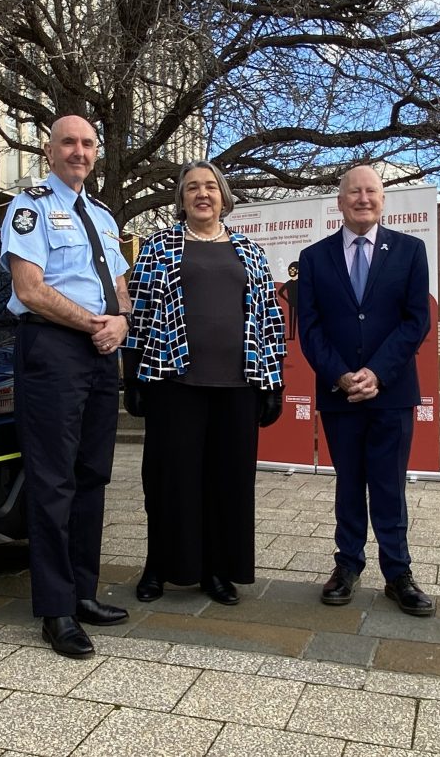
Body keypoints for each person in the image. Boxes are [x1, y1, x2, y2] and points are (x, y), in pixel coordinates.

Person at [122, 161, 286, 606]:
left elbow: (269, 319)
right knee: (168, 480)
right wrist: (132, 375)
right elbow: (136, 313)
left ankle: (217, 570)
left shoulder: (249, 251)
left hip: (238, 386)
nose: (202, 194)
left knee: (227, 482)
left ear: (223, 196)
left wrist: (274, 384)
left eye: (210, 186)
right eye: (192, 187)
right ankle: (160, 566)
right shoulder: (158, 247)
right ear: (181, 199)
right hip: (173, 382)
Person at [0, 114, 132, 659]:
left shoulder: (101, 215)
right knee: (53, 480)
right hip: (54, 349)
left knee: (91, 475)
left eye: (87, 143)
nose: (79, 151)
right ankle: (55, 609)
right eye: (68, 143)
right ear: (49, 151)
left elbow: (119, 285)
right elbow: (30, 290)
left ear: (95, 152)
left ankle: (82, 592)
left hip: (101, 351)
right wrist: (95, 324)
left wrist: (120, 321)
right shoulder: (28, 207)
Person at [297, 165, 433, 615]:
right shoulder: (315, 258)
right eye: (353, 192)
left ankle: (398, 573)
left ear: (383, 199)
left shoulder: (411, 251)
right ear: (339, 201)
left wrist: (377, 371)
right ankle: (347, 566)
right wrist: (340, 375)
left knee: (390, 485)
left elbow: (416, 321)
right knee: (349, 483)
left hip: (390, 392)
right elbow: (311, 327)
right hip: (339, 394)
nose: (362, 198)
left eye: (371, 191)